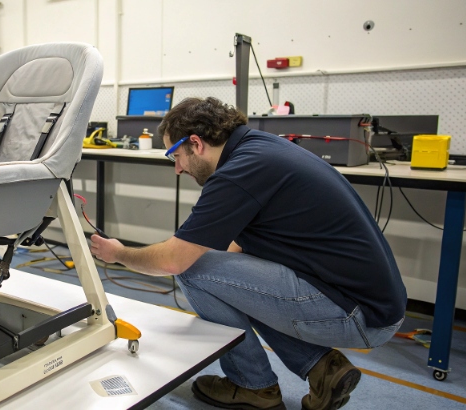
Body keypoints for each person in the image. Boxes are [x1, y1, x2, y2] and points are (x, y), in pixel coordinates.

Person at [90, 97, 406, 410]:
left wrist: (119, 253)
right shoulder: (258, 148)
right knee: (222, 277)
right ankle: (323, 368)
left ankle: (252, 385)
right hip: (369, 304)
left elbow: (174, 261)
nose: (177, 168)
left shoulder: (238, 173)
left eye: (176, 155)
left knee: (193, 269)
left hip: (359, 316)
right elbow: (236, 255)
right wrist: (222, 288)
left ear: (196, 143)